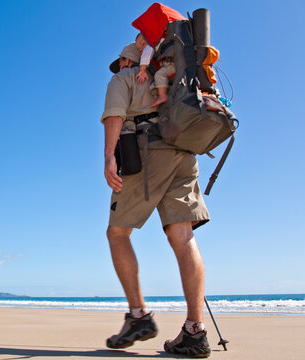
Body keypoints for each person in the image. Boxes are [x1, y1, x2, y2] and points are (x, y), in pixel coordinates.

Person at [101, 45, 212, 358]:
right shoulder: (175, 80)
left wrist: (109, 156)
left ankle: (138, 317)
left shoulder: (125, 77)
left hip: (147, 152)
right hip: (185, 153)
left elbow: (115, 115)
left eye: (121, 61)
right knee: (182, 235)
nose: (119, 66)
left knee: (117, 232)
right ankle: (195, 331)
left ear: (129, 60)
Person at [134, 33, 175, 108]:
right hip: (176, 64)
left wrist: (142, 70)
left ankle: (163, 95)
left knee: (159, 75)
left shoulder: (151, 45)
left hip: (171, 65)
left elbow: (146, 56)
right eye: (140, 50)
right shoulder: (166, 39)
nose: (142, 50)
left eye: (143, 44)